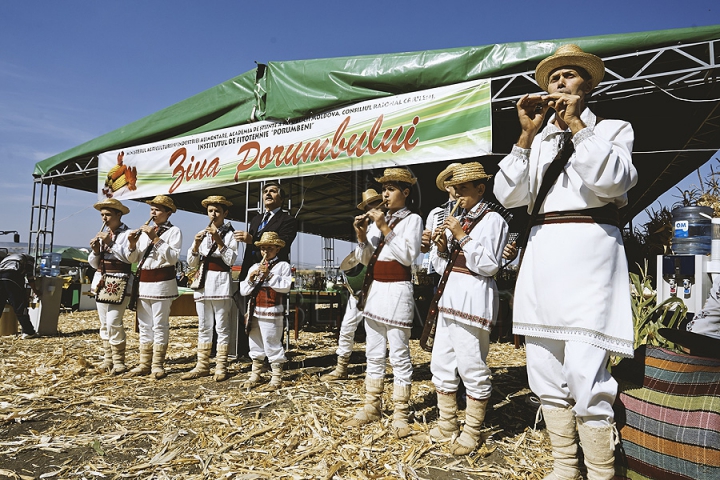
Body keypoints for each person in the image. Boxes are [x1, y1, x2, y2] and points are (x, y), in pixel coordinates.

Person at [493, 44, 637, 480]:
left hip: (591, 250)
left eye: (571, 75)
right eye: (554, 76)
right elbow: (507, 195)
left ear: (588, 86)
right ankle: (563, 465)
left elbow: (613, 181)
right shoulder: (536, 143)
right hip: (542, 253)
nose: (560, 81)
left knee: (585, 367)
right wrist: (524, 136)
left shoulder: (612, 128)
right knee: (542, 364)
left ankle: (599, 471)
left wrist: (576, 125)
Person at [427, 162, 508, 454]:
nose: (457, 194)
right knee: (441, 364)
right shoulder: (456, 218)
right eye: (455, 189)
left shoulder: (494, 220)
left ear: (480, 189)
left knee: (472, 367)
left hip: (472, 300)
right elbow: (441, 266)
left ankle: (473, 431)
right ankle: (447, 422)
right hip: (449, 300)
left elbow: (488, 266)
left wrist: (460, 235)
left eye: (463, 188)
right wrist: (439, 247)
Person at [345, 167, 423, 439]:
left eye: (391, 189)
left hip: (398, 291)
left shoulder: (412, 220)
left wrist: (383, 227)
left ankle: (401, 413)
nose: (385, 194)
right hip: (376, 290)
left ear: (405, 192)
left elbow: (406, 255)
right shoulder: (382, 221)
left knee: (400, 355)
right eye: (384, 188)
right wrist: (362, 237)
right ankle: (372, 405)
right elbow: (366, 260)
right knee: (373, 353)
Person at [320, 188, 384, 381]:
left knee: (378, 330)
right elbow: (362, 257)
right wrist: (360, 235)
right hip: (363, 284)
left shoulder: (388, 224)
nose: (371, 208)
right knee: (348, 325)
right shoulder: (370, 227)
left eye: (374, 203)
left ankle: (377, 374)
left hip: (381, 282)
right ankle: (342, 367)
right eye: (368, 205)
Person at [234, 181, 298, 357]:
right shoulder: (256, 219)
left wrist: (252, 239)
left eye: (273, 191)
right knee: (248, 317)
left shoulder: (288, 220)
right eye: (265, 191)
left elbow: (283, 245)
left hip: (272, 274)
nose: (268, 194)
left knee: (270, 320)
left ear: (282, 198)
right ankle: (250, 355)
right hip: (251, 272)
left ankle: (274, 357)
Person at [182, 195, 238, 382]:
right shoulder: (202, 232)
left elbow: (231, 260)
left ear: (225, 213)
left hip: (221, 283)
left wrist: (218, 240)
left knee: (222, 326)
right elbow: (192, 261)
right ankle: (202, 365)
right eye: (210, 211)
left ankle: (221, 365)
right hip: (203, 284)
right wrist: (196, 244)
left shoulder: (230, 234)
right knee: (204, 326)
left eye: (217, 211)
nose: (213, 214)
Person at [127, 195, 183, 380]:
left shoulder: (174, 231)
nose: (153, 212)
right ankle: (144, 363)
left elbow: (172, 258)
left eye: (158, 209)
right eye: (152, 209)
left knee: (160, 325)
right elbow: (133, 259)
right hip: (143, 284)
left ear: (168, 213)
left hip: (161, 284)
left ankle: (158, 364)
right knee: (144, 325)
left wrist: (155, 238)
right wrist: (132, 244)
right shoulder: (144, 232)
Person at [238, 231, 292, 390]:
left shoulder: (283, 266)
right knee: (255, 342)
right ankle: (255, 374)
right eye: (263, 248)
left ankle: (276, 378)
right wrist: (251, 279)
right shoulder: (254, 267)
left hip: (272, 312)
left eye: (269, 248)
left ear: (277, 249)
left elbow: (286, 287)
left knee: (272, 342)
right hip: (254, 311)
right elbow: (243, 291)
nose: (266, 252)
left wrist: (268, 276)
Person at [88, 198, 134, 374]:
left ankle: (119, 361)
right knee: (104, 323)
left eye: (108, 214)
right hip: (102, 280)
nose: (104, 218)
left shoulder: (128, 234)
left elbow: (130, 258)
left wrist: (111, 244)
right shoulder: (103, 233)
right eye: (102, 215)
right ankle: (108, 360)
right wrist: (95, 251)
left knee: (114, 321)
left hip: (120, 280)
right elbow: (94, 264)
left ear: (118, 215)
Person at [421, 163, 460, 282]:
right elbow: (425, 247)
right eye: (456, 181)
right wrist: (424, 244)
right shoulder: (436, 213)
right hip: (439, 272)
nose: (459, 185)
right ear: (447, 186)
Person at [0, 253, 40, 339]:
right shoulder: (30, 259)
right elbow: (30, 277)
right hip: (12, 277)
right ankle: (28, 332)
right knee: (20, 306)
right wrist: (35, 290)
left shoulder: (8, 258)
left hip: (1, 277)